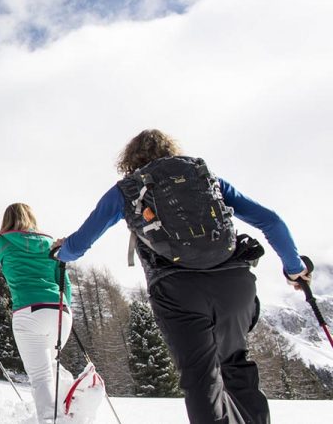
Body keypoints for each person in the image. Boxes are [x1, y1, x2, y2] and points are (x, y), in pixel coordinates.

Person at [54, 129, 312, 424]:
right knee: (236, 366)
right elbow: (271, 221)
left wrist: (61, 252)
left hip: (178, 292)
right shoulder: (203, 177)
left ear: (129, 160)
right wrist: (294, 268)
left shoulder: (127, 190)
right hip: (234, 284)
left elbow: (78, 245)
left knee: (201, 379)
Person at [0, 203, 71, 421]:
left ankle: (50, 419)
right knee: (52, 368)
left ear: (7, 220)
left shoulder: (3, 241)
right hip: (61, 312)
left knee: (41, 376)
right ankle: (71, 410)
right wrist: (66, 309)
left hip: (29, 312)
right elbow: (64, 281)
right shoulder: (49, 242)